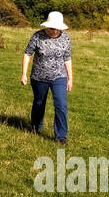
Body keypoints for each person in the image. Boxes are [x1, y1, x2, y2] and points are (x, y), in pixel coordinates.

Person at [20, 11, 73, 144]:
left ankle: (61, 136)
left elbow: (67, 58)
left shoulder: (66, 38)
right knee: (39, 103)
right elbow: (27, 54)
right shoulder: (37, 36)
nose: (53, 31)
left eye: (56, 28)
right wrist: (24, 74)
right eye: (51, 28)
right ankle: (35, 127)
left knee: (61, 104)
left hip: (59, 76)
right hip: (39, 76)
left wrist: (70, 78)